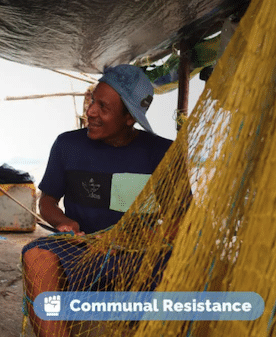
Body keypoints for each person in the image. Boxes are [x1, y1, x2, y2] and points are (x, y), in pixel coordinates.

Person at [22, 64, 184, 337]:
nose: (91, 112)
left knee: (184, 271)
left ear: (129, 118)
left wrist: (154, 235)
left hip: (139, 255)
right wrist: (64, 223)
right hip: (83, 249)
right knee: (37, 256)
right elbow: (47, 200)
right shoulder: (67, 145)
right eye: (92, 101)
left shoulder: (164, 153)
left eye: (104, 108)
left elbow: (184, 218)